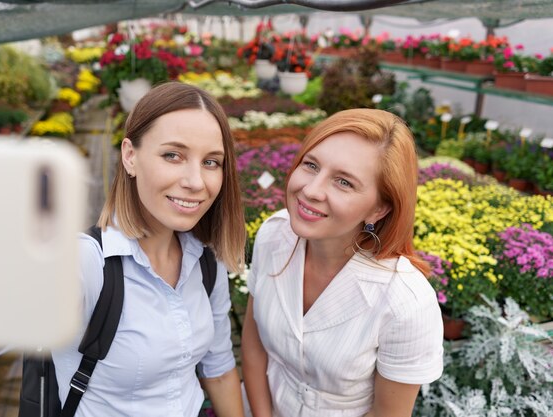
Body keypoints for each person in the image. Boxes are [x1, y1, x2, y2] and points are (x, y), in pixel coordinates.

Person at [51, 82, 246, 417]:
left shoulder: (205, 262)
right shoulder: (86, 263)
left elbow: (219, 369)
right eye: (173, 155)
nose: (196, 181)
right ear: (130, 156)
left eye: (211, 162)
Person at [241, 108, 444, 417]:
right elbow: (254, 345)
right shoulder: (274, 234)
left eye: (344, 182)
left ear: (379, 209)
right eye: (311, 165)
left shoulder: (406, 302)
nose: (310, 190)